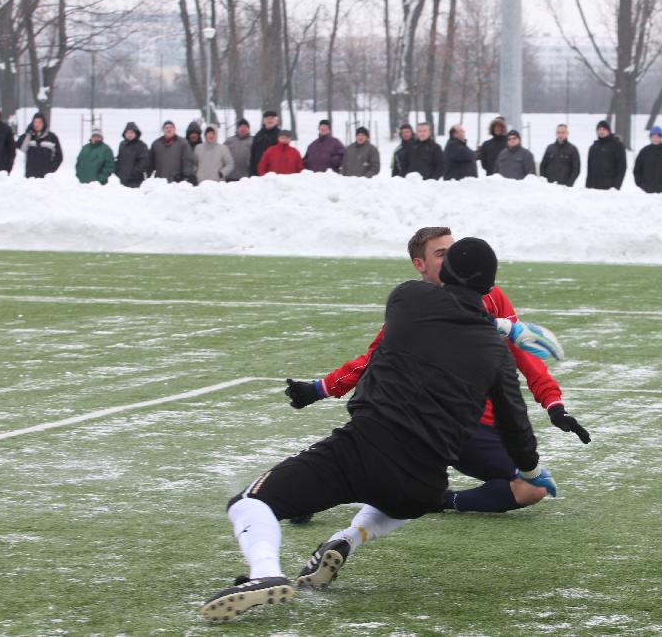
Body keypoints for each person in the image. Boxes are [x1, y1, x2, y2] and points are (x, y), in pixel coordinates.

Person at [198, 238, 562, 622]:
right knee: (399, 498)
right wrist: (532, 471)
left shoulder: (408, 300)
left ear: (444, 271)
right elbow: (515, 425)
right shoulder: (498, 354)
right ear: (490, 287)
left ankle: (265, 575)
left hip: (363, 449)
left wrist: (504, 326)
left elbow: (442, 315)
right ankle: (348, 539)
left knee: (249, 502)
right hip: (424, 483)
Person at [295, 226, 588, 522]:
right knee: (380, 473)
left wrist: (554, 405)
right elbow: (369, 361)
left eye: (452, 250)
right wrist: (319, 389)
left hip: (478, 432)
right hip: (426, 421)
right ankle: (306, 499)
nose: (451, 258)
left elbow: (524, 354)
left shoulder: (492, 296)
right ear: (419, 265)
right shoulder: (413, 307)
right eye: (441, 253)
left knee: (530, 489)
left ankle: (441, 501)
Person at [633, 125, 662, 194]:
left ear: (661, 137)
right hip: (646, 191)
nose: (655, 139)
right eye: (653, 136)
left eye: (657, 137)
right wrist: (640, 183)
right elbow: (637, 169)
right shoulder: (644, 152)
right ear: (650, 137)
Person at [15, 112, 62, 179]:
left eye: (40, 122)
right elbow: (20, 146)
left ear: (44, 123)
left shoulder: (52, 138)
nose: (37, 124)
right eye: (35, 122)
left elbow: (59, 156)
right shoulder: (29, 136)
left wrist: (50, 170)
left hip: (46, 178)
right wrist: (27, 134)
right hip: (30, 177)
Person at [586, 120, 626, 190]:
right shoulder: (593, 147)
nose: (601, 132)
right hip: (594, 188)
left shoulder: (617, 145)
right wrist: (588, 186)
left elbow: (622, 167)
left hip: (610, 188)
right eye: (599, 129)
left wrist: (616, 186)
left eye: (604, 129)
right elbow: (590, 169)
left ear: (609, 131)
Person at [115, 122, 150, 188]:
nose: (129, 134)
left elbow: (144, 162)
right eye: (128, 132)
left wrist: (133, 173)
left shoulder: (141, 145)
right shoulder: (122, 144)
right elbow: (119, 159)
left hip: (135, 181)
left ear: (136, 133)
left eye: (132, 132)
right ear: (125, 134)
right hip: (122, 180)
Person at [250, 110, 281, 175]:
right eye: (267, 118)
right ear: (264, 121)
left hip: (275, 172)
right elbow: (253, 154)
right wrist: (252, 172)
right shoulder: (258, 135)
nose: (269, 120)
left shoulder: (281, 135)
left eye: (272, 118)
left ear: (276, 121)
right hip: (258, 171)